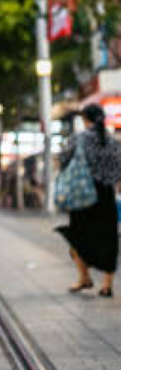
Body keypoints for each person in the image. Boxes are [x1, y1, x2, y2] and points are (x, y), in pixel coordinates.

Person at [56, 104, 121, 298]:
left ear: (85, 119)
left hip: (83, 195)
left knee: (78, 236)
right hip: (106, 196)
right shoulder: (113, 141)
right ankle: (107, 285)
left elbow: (63, 159)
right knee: (109, 238)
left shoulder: (79, 139)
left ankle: (84, 277)